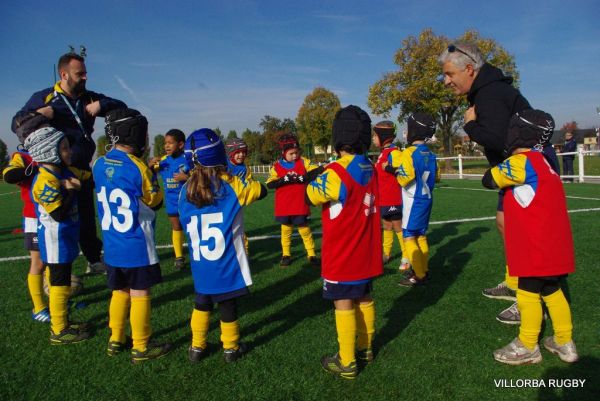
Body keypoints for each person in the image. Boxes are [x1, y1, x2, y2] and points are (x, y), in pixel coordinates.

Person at [439, 42, 532, 323]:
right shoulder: (487, 90)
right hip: (513, 174)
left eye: (449, 74)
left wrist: (469, 125)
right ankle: (515, 281)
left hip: (525, 175)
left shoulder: (490, 94)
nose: (445, 81)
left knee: (523, 235)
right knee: (504, 223)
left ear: (469, 69)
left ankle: (529, 296)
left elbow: (499, 139)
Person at [12, 51, 127, 275]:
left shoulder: (88, 97)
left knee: (86, 218)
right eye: (79, 73)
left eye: (85, 73)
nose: (85, 77)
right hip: (57, 171)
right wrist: (40, 114)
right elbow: (17, 124)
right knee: (59, 220)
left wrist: (101, 105)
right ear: (64, 74)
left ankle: (93, 260)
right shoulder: (44, 97)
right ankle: (57, 267)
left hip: (82, 167)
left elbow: (121, 106)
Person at [483, 109, 578, 365]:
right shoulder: (546, 162)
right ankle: (564, 341)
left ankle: (527, 344)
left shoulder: (521, 163)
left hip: (533, 247)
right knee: (553, 291)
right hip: (554, 246)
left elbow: (488, 179)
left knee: (527, 293)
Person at [306, 105, 383, 379]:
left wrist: (314, 177)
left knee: (343, 303)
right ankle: (366, 348)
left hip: (342, 252)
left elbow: (311, 196)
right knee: (364, 297)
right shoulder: (371, 167)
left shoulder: (335, 172)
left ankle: (347, 360)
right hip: (366, 251)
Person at [178, 128, 268, 363]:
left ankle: (196, 347)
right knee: (227, 305)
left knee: (202, 303)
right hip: (227, 262)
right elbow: (260, 190)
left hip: (200, 263)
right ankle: (231, 348)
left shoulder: (183, 191)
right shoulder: (231, 186)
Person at [93, 108, 171, 363]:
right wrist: (153, 175)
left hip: (112, 245)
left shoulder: (99, 164)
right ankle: (141, 345)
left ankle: (115, 338)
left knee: (119, 292)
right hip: (137, 244)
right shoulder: (139, 168)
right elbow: (155, 201)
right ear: (136, 134)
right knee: (139, 293)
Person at [25, 127, 92, 344]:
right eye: (63, 148)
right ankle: (59, 329)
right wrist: (72, 190)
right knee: (59, 282)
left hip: (65, 237)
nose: (69, 152)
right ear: (48, 152)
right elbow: (59, 214)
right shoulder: (44, 179)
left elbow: (86, 179)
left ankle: (63, 321)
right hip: (55, 239)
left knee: (61, 280)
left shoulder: (62, 172)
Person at [3, 120, 47, 322]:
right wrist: (31, 169)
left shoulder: (50, 153)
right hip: (34, 217)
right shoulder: (22, 156)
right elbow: (9, 174)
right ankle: (38, 308)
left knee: (51, 261)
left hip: (53, 217)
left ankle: (55, 298)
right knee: (37, 262)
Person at [392, 113, 440, 287]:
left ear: (413, 130)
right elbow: (438, 176)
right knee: (421, 236)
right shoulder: (431, 153)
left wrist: (397, 173)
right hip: (427, 198)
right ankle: (424, 269)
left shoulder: (409, 152)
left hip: (413, 200)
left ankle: (419, 275)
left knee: (409, 237)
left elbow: (406, 176)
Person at [266, 133, 323, 268]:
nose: (294, 156)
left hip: (300, 204)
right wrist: (282, 180)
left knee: (305, 230)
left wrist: (305, 177)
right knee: (286, 231)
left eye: (296, 152)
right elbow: (269, 184)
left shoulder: (303, 162)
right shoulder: (277, 167)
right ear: (283, 153)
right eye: (291, 153)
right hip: (284, 206)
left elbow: (318, 169)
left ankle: (311, 254)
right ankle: (286, 255)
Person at [148, 129, 189, 270]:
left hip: (188, 201)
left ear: (181, 144)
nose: (166, 146)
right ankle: (179, 257)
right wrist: (150, 167)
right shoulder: (163, 161)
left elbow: (200, 178)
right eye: (165, 143)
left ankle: (199, 251)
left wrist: (187, 178)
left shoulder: (188, 160)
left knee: (192, 228)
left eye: (170, 143)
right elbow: (149, 174)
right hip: (171, 202)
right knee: (176, 227)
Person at [372, 120, 408, 269]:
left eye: (375, 135)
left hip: (393, 198)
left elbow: (403, 171)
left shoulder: (394, 153)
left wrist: (390, 169)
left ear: (384, 137)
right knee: (386, 226)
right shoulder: (383, 154)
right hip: (383, 199)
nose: (373, 138)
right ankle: (386, 254)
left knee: (397, 226)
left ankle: (406, 257)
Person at [226, 138, 253, 254]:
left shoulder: (245, 168)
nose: (241, 155)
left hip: (237, 203)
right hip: (223, 203)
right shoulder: (223, 165)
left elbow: (249, 182)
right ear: (230, 153)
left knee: (238, 227)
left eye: (243, 152)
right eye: (238, 152)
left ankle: (244, 251)